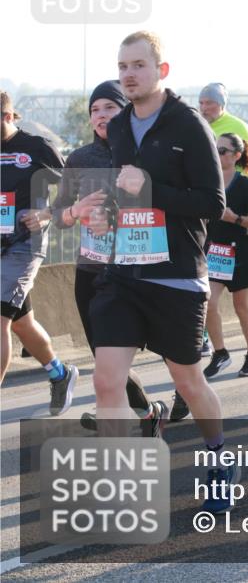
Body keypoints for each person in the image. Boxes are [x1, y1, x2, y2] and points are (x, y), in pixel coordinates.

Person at [87, 31, 236, 513]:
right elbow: (126, 194)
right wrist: (107, 210)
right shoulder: (120, 126)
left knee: (189, 382)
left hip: (175, 275)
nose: (129, 74)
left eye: (138, 65)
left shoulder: (188, 125)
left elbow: (212, 204)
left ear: (161, 71)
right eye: (122, 66)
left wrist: (149, 188)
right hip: (124, 273)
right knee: (106, 380)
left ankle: (218, 459)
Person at [50, 80, 167, 434]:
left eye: (109, 108)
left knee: (109, 362)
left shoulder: (145, 153)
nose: (101, 115)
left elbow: (163, 209)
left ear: (126, 111)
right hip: (90, 270)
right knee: (102, 356)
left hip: (133, 270)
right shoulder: (80, 158)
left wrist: (118, 217)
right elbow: (58, 216)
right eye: (94, 110)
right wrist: (77, 210)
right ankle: (147, 413)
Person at [0, 91, 78, 415]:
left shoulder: (36, 148)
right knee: (21, 323)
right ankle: (60, 374)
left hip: (23, 246)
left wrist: (45, 215)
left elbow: (74, 186)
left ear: (7, 116)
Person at [199, 83, 248, 344]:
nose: (205, 107)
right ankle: (209, 337)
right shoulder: (199, 125)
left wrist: (234, 183)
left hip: (239, 206)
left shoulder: (237, 126)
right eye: (201, 102)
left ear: (221, 104)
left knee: (245, 272)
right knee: (213, 287)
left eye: (209, 102)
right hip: (214, 215)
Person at [203, 133, 248, 378]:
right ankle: (220, 353)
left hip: (240, 253)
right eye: (215, 149)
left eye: (223, 151)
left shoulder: (243, 184)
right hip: (215, 252)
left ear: (236, 156)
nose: (217, 155)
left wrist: (235, 218)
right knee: (208, 302)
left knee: (242, 307)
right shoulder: (209, 181)